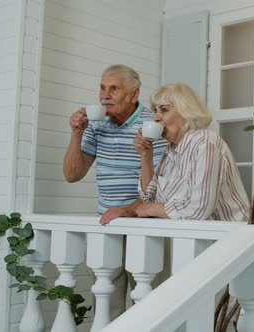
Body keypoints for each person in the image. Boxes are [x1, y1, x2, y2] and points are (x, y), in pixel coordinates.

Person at [63, 64, 167, 318]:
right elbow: (72, 175)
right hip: (109, 226)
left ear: (133, 94)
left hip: (144, 226)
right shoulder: (96, 125)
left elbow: (159, 186)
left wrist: (127, 211)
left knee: (148, 304)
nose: (104, 95)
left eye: (113, 89)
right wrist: (77, 134)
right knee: (106, 305)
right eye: (102, 88)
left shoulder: (152, 125)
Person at [128, 82, 249, 222]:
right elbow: (149, 199)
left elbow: (198, 210)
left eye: (164, 110)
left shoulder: (205, 144)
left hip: (229, 238)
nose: (156, 117)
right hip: (195, 238)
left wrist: (151, 209)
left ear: (186, 112)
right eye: (155, 110)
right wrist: (145, 156)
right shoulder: (171, 150)